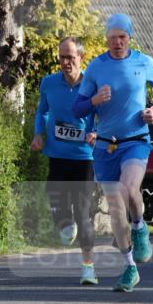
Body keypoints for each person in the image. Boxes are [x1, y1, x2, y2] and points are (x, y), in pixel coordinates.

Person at [74, 13, 153, 293]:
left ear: (130, 38)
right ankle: (130, 267)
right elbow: (78, 108)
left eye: (122, 37)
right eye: (112, 37)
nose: (117, 42)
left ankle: (139, 226)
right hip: (105, 145)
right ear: (106, 38)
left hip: (136, 140)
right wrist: (94, 100)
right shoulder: (96, 67)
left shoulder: (144, 62)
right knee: (116, 205)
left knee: (128, 189)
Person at [32, 37, 99, 285]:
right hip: (57, 155)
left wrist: (97, 132)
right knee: (55, 201)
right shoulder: (49, 82)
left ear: (82, 58)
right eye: (62, 57)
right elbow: (43, 111)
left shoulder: (93, 85)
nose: (65, 62)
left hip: (84, 158)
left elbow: (104, 115)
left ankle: (88, 268)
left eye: (70, 57)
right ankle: (65, 224)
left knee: (83, 214)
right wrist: (38, 133)